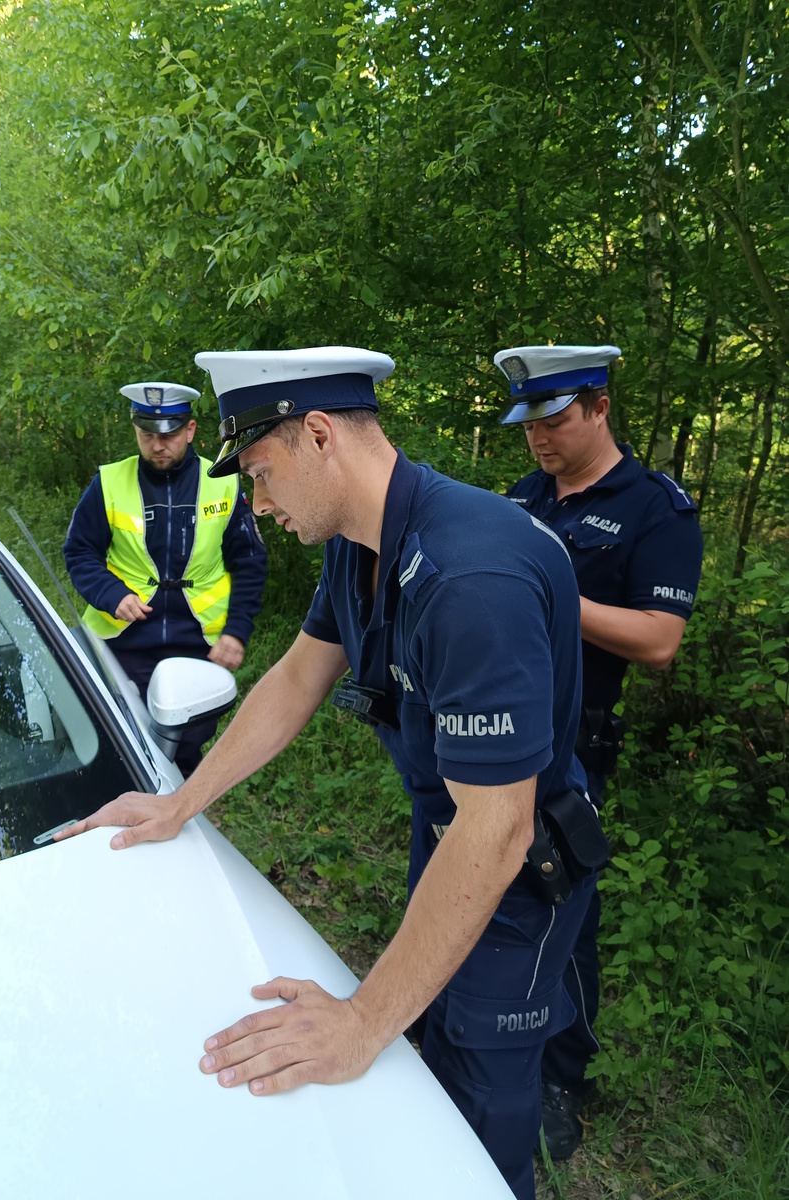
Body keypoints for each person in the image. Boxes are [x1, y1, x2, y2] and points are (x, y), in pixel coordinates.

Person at [56, 347, 606, 1200]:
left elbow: (499, 831)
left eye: (260, 474)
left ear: (318, 436)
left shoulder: (472, 577)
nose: (255, 502)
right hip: (450, 833)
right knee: (431, 1032)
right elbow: (295, 679)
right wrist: (180, 802)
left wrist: (360, 1023)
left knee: (481, 1088)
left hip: (514, 872)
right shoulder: (361, 539)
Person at [496, 344, 704, 1160]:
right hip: (496, 726)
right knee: (479, 881)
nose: (538, 439)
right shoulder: (525, 496)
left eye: (553, 421)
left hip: (573, 746)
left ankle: (563, 1076)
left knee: (562, 904)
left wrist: (556, 592)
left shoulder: (655, 508)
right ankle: (474, 1028)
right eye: (528, 425)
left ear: (600, 407)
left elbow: (659, 640)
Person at [63, 380, 268, 774]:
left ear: (189, 430)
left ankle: (181, 803)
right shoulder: (109, 482)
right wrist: (111, 594)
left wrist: (236, 631)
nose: (158, 445)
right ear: (136, 430)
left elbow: (250, 561)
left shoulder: (222, 481)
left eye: (169, 435)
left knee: (185, 744)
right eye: (147, 435)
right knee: (117, 740)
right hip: (122, 641)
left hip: (197, 641)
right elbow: (79, 551)